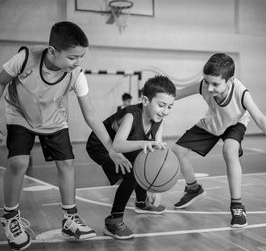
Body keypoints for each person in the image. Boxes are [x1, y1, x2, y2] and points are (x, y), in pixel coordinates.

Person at [0, 21, 127, 250]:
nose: (78, 62)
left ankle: (70, 218)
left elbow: (90, 114)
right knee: (18, 162)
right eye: (73, 57)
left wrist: (111, 148)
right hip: (19, 113)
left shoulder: (76, 74)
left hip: (53, 118)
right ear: (52, 52)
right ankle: (10, 217)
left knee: (67, 163)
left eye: (81, 57)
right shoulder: (25, 58)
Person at [171, 53, 266, 228]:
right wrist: (154, 99)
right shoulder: (205, 85)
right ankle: (193, 189)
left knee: (229, 150)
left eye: (215, 84)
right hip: (214, 121)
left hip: (236, 123)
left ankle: (237, 206)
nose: (209, 88)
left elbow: (260, 119)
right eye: (207, 82)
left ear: (230, 80)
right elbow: (176, 95)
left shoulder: (241, 92)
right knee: (178, 150)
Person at [86, 75, 176, 239]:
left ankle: (142, 203)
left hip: (120, 145)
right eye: (162, 105)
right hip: (100, 146)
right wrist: (143, 143)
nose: (165, 111)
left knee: (141, 162)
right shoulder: (131, 115)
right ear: (145, 101)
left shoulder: (159, 121)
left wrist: (155, 188)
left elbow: (155, 156)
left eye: (170, 107)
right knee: (132, 172)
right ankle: (114, 220)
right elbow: (117, 145)